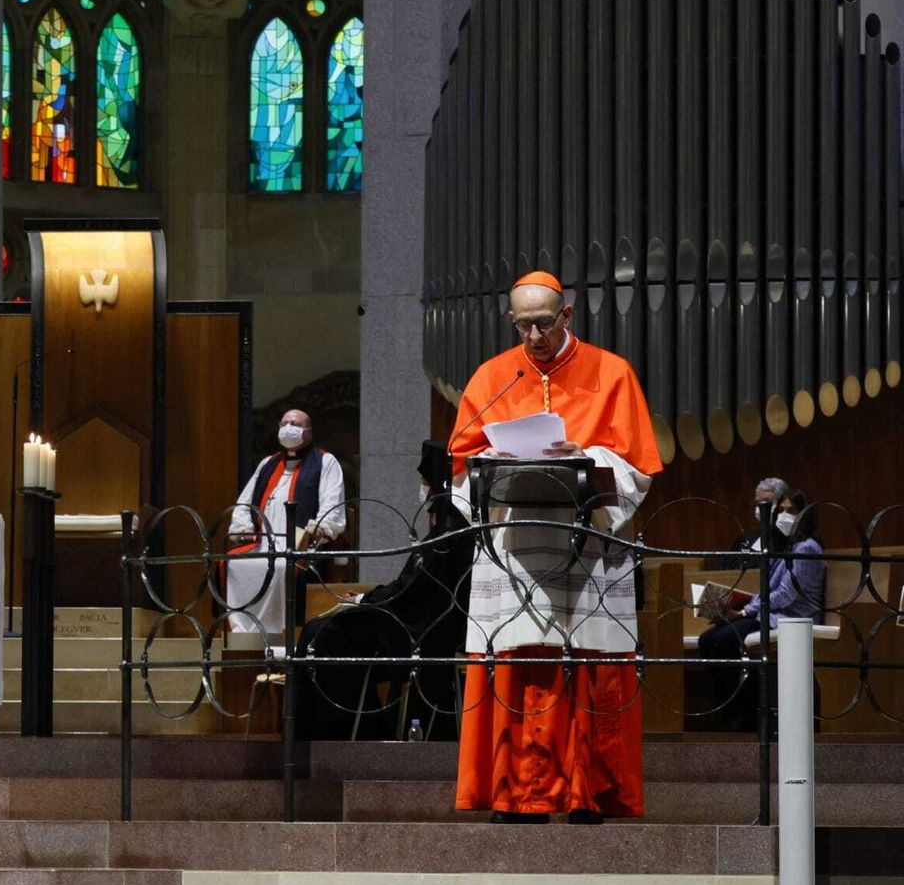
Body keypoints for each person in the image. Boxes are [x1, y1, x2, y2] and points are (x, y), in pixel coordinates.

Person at [448, 270, 664, 824]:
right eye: (523, 326)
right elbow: (460, 465)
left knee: (587, 664)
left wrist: (585, 459)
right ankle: (519, 793)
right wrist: (495, 465)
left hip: (587, 542)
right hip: (516, 541)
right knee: (520, 663)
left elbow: (637, 464)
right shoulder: (493, 376)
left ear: (567, 316)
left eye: (544, 323)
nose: (534, 337)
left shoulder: (611, 373)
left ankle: (587, 791)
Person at [295, 439, 472, 741]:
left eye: (423, 480)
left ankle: (346, 736)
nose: (420, 485)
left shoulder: (450, 528)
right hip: (408, 616)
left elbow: (416, 593)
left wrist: (366, 599)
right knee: (320, 631)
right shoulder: (446, 523)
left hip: (418, 629)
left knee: (321, 636)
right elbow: (413, 586)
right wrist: (372, 598)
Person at [697, 490, 825, 731]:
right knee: (709, 639)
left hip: (789, 618)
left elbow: (786, 594)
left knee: (720, 641)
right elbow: (769, 591)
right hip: (770, 613)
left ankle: (744, 707)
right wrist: (736, 603)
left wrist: (745, 611)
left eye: (791, 512)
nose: (785, 516)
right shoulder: (787, 546)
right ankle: (739, 706)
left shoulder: (807, 548)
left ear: (804, 516)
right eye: (782, 511)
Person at [224, 408, 346, 640]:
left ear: (309, 432)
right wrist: (243, 526)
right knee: (233, 565)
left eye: (296, 424)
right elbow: (245, 503)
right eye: (285, 423)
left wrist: (319, 528)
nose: (289, 428)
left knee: (282, 567)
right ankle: (243, 634)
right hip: (263, 543)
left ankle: (281, 634)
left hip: (301, 545)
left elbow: (332, 505)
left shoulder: (325, 461)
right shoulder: (268, 464)